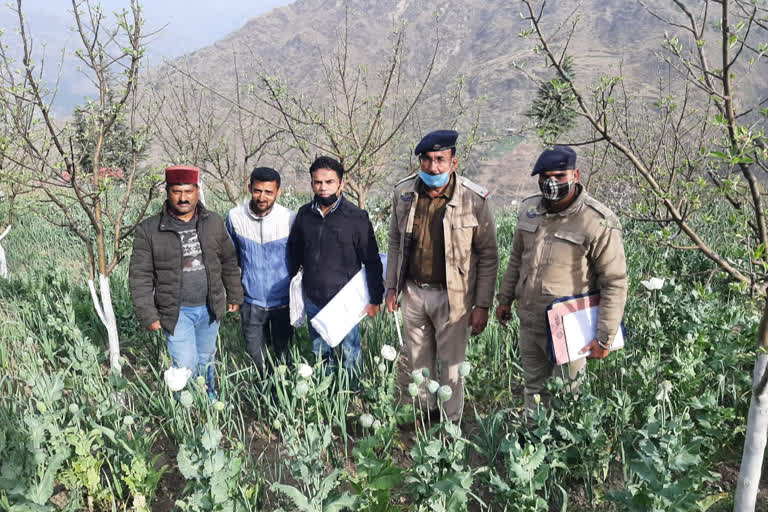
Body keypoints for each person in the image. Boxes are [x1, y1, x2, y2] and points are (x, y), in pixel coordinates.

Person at [495, 145, 628, 414]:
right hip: (530, 319)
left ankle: (562, 451)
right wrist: (505, 298)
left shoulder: (597, 221)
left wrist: (605, 337)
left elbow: (614, 282)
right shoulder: (529, 209)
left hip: (570, 325)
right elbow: (516, 259)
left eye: (559, 176)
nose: (551, 183)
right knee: (533, 388)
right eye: (544, 177)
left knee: (568, 393)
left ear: (575, 174)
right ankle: (533, 441)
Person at [385, 130, 499, 422]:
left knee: (452, 365)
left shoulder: (474, 200)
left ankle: (450, 425)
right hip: (412, 291)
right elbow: (395, 242)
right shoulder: (404, 193)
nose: (433, 167)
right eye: (427, 160)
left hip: (454, 296)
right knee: (417, 362)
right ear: (420, 162)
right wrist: (390, 287)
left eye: (440, 160)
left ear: (453, 161)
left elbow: (488, 255)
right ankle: (424, 418)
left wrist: (482, 305)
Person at [129, 165, 243, 399]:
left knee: (206, 359)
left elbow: (229, 261)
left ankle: (209, 402)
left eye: (188, 191)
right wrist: (148, 314)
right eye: (177, 191)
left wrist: (234, 294)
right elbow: (139, 276)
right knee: (185, 363)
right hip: (176, 311)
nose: (183, 198)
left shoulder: (213, 222)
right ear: (168, 192)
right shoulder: (150, 230)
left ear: (197, 191)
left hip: (209, 306)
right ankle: (190, 408)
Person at [287, 156, 384, 386]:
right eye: (318, 182)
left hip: (346, 300)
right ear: (311, 184)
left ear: (341, 184)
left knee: (350, 351)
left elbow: (371, 260)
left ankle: (350, 397)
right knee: (320, 351)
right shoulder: (304, 215)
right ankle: (327, 397)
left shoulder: (356, 217)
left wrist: (375, 298)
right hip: (313, 297)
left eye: (329, 182)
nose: (323, 187)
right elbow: (294, 252)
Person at [226, 167, 296, 375]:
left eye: (268, 192)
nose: (262, 197)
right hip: (252, 302)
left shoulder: (289, 219)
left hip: (283, 303)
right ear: (249, 188)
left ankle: (284, 400)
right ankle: (262, 398)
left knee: (284, 358)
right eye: (257, 190)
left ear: (278, 192)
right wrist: (235, 294)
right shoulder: (235, 217)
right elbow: (231, 258)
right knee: (257, 359)